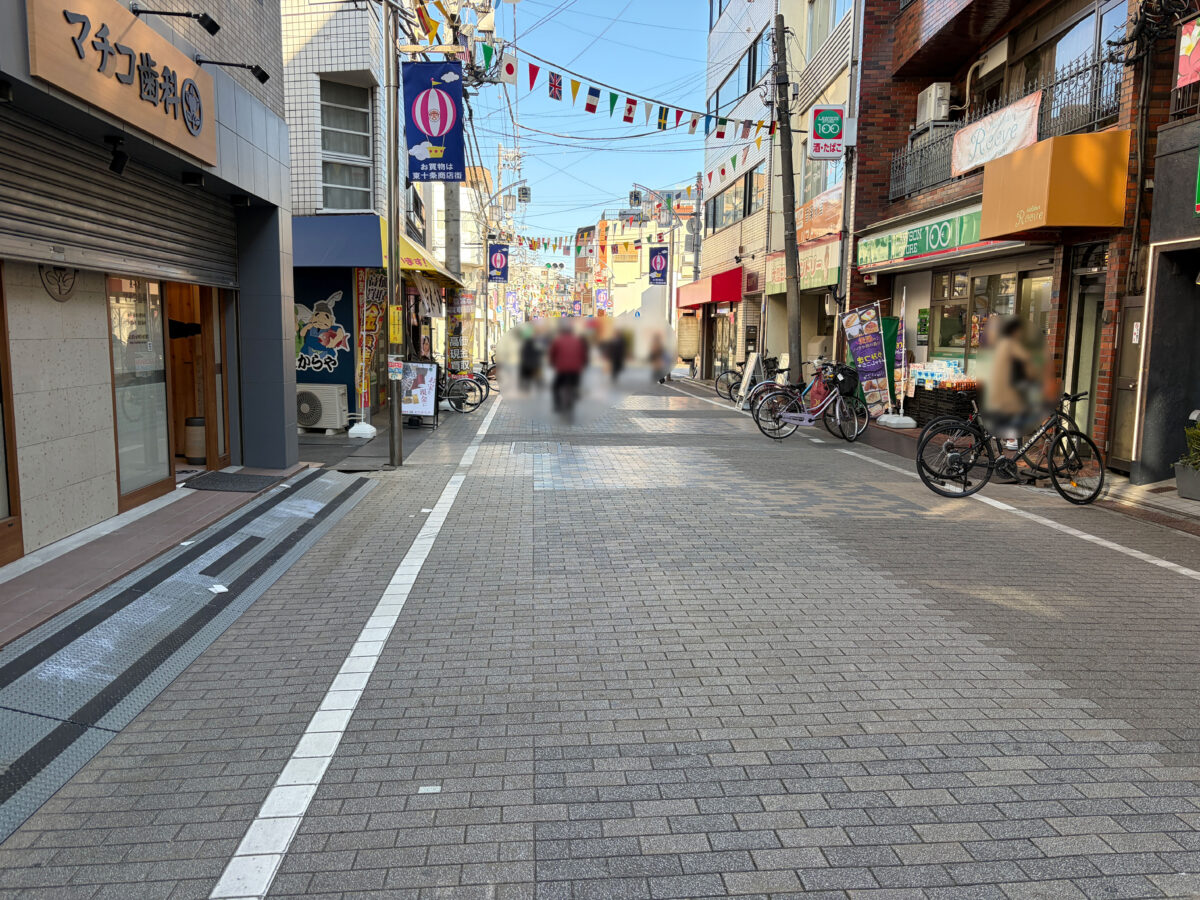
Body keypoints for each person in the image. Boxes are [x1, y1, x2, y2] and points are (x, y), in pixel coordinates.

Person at [986, 316, 1037, 449]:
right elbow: (1026, 357)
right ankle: (1012, 439)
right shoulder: (1010, 343)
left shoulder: (1001, 342)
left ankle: (1000, 435)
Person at [548, 323, 588, 413]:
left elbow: (552, 353)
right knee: (575, 383)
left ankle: (557, 405)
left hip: (562, 369)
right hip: (575, 369)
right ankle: (574, 393)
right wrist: (584, 364)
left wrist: (552, 363)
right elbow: (583, 354)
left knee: (555, 387)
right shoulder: (578, 341)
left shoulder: (558, 341)